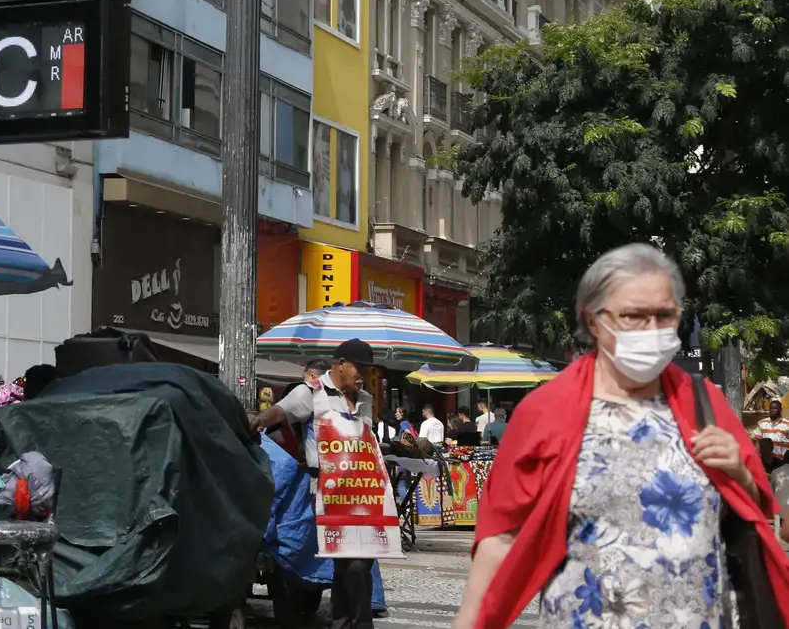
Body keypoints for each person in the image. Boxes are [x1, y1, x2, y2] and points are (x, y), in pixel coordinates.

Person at [454, 243, 789, 628]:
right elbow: (501, 538)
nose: (652, 329)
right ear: (594, 321)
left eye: (665, 315)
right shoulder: (545, 411)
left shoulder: (704, 403)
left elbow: (755, 513)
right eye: (634, 316)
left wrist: (740, 474)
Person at [250, 338, 378, 629]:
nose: (364, 374)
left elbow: (368, 443)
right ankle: (358, 623)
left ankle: (341, 621)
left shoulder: (366, 400)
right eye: (360, 367)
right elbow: (281, 411)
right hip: (327, 490)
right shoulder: (312, 393)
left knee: (357, 562)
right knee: (351, 562)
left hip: (364, 491)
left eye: (368, 369)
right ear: (340, 364)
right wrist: (258, 421)